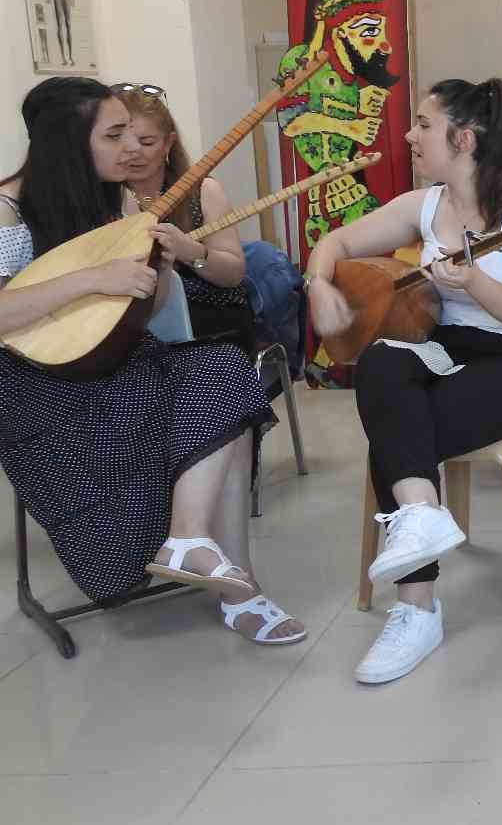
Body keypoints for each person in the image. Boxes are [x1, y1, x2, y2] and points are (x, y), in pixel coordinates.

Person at [0, 77, 302, 644]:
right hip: (32, 382)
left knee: (224, 373)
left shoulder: (110, 196)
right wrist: (93, 276)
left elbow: (149, 304)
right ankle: (235, 587)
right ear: (69, 141)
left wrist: (158, 265)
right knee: (223, 417)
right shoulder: (6, 209)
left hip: (113, 355)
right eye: (113, 135)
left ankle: (194, 544)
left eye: (132, 135)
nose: (128, 149)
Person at [306, 78, 502, 684]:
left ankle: (416, 607)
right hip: (452, 351)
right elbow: (337, 239)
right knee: (379, 366)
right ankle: (421, 517)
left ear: (464, 137)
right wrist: (318, 283)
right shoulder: (425, 204)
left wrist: (471, 281)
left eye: (422, 124)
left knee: (397, 432)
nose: (409, 134)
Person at [115, 83, 255, 353]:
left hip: (206, 317)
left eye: (147, 142)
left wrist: (188, 250)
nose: (134, 152)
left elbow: (234, 274)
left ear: (169, 142)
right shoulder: (105, 198)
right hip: (128, 319)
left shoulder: (203, 190)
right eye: (120, 141)